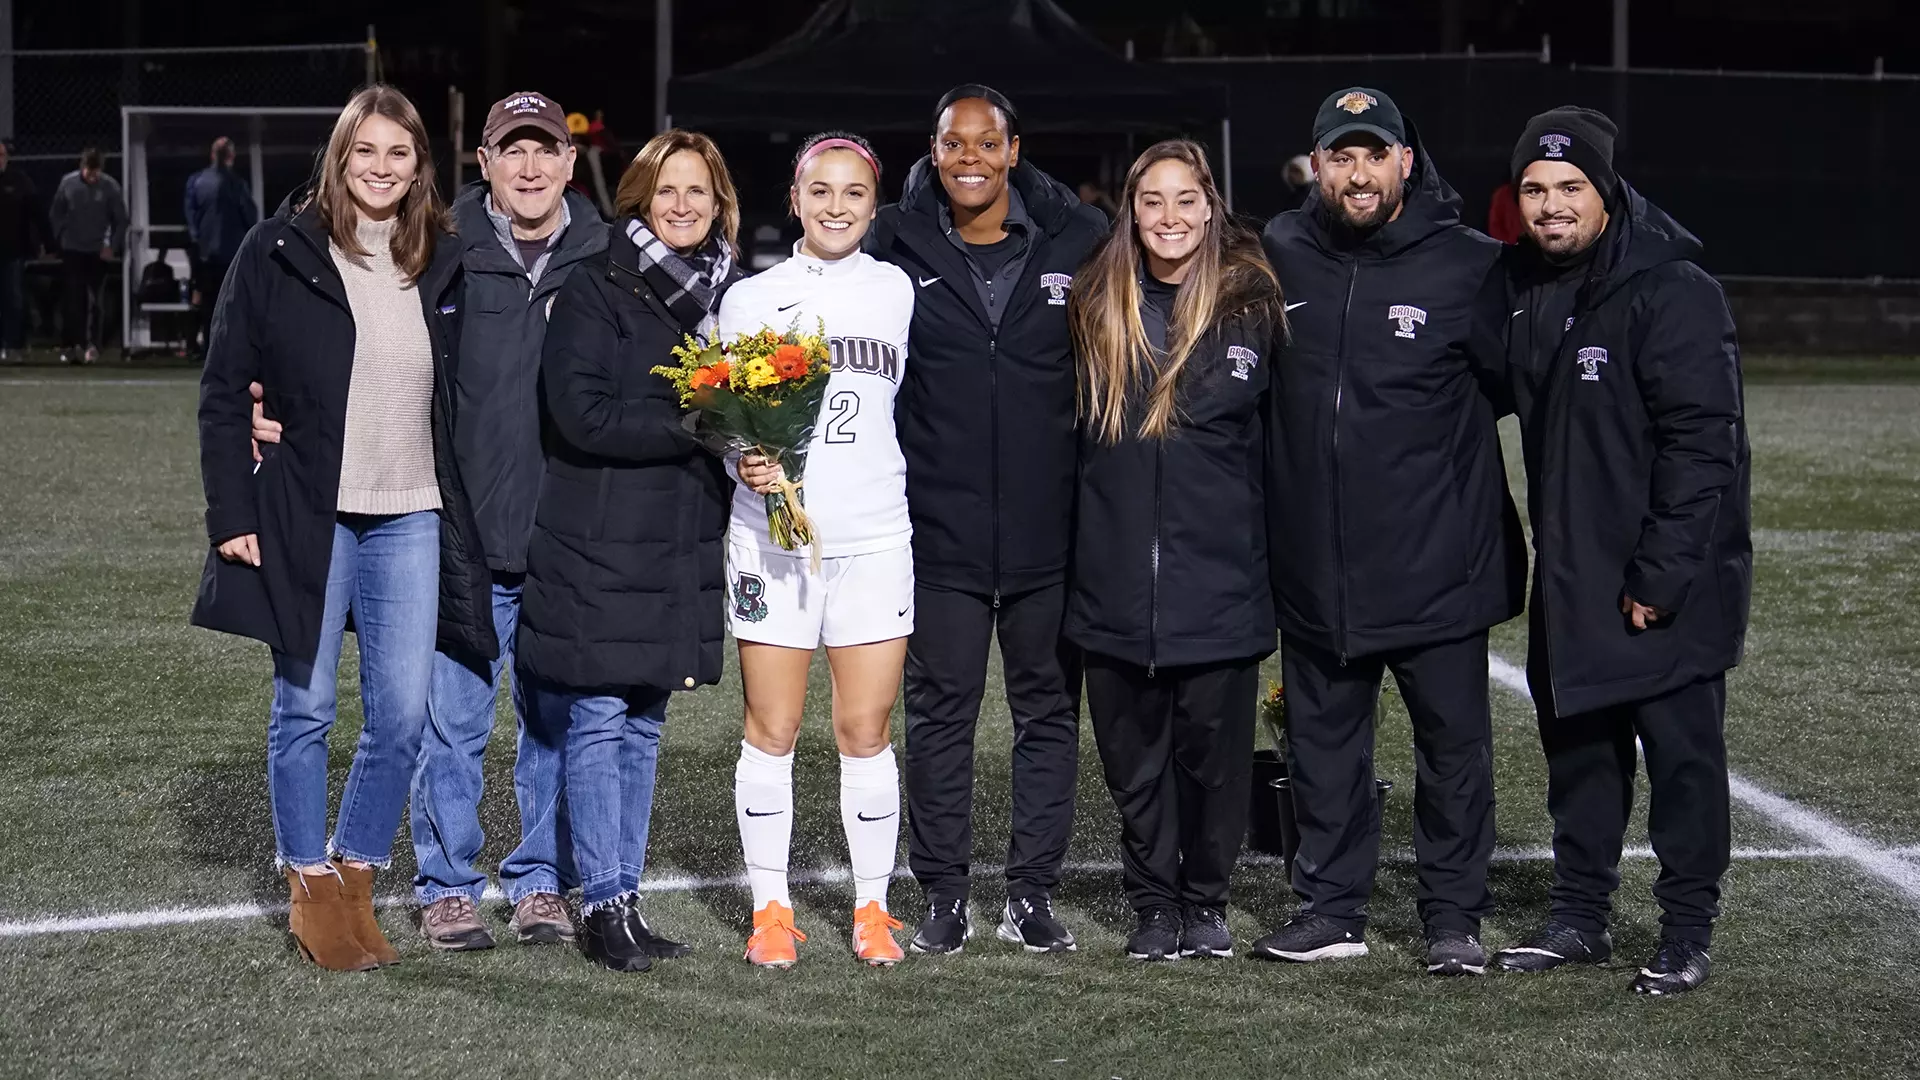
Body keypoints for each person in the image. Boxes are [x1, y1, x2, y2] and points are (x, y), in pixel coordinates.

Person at [192, 85, 484, 972]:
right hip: (306, 511)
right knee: (307, 706)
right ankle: (309, 888)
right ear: (340, 155)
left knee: (402, 717)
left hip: (411, 513)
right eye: (366, 150)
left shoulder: (440, 257)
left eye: (399, 153)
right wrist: (232, 513)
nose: (381, 168)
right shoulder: (277, 249)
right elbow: (223, 389)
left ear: (419, 166)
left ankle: (355, 879)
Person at [1252, 87, 1524, 975]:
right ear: (1317, 165)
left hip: (1437, 566)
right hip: (1316, 567)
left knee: (1454, 754)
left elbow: (1516, 389)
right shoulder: (1281, 250)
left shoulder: (1472, 264)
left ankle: (1453, 917)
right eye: (1342, 156)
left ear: (1407, 161)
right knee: (1324, 751)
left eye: (1375, 154)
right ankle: (1331, 909)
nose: (1358, 173)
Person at [1487, 107, 1749, 996]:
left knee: (1682, 763)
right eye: (1534, 189)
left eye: (1571, 187)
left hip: (1658, 584)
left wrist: (1661, 575)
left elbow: (1704, 444)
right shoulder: (1523, 285)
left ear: (1608, 192)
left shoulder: (1673, 289)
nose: (1552, 205)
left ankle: (1685, 931)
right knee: (1581, 758)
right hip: (1571, 577)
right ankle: (1579, 918)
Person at [868, 83, 1106, 956]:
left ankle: (1031, 893)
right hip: (938, 532)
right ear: (933, 152)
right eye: (953, 144)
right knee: (941, 716)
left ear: (1013, 150)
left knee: (1048, 715)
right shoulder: (894, 241)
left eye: (985, 143)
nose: (969, 158)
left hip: (1052, 532)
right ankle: (944, 892)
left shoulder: (1081, 238)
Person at [514, 129, 742, 972]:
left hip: (682, 538)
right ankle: (602, 904)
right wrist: (697, 423)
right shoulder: (595, 285)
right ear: (639, 199)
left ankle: (627, 901)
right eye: (665, 190)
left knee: (645, 722)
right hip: (601, 538)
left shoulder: (733, 297)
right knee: (601, 717)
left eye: (698, 192)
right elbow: (581, 415)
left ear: (719, 204)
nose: (682, 206)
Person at [1065, 139, 1283, 962]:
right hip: (1114, 582)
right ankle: (1154, 904)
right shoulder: (1094, 303)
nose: (1169, 217)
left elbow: (1281, 447)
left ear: (1211, 207)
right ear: (1130, 212)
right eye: (1152, 201)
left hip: (1219, 583)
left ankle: (1205, 902)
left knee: (1213, 763)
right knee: (1134, 764)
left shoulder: (1252, 304)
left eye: (1186, 199)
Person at [722, 130, 915, 969]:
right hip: (771, 541)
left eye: (855, 193)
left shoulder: (897, 290)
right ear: (795, 199)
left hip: (874, 536)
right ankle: (771, 909)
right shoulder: (749, 299)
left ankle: (873, 908)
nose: (838, 207)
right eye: (821, 191)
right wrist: (743, 459)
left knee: (865, 728)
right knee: (773, 726)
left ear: (875, 205)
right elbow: (726, 419)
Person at [48, 147, 126, 364]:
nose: (93, 177)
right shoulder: (68, 183)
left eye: (96, 172)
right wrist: (55, 242)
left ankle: (93, 345)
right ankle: (72, 345)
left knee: (95, 302)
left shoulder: (110, 186)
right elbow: (56, 214)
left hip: (97, 252)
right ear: (82, 167)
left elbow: (121, 220)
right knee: (73, 300)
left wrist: (112, 246)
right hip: (72, 250)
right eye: (89, 172)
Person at [183, 136, 259, 355]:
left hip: (205, 255)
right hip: (232, 254)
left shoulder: (196, 181)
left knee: (206, 303)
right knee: (232, 303)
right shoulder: (237, 184)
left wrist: (198, 244)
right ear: (231, 156)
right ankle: (229, 350)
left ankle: (207, 349)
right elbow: (250, 216)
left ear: (212, 155)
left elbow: (191, 218)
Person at [0, 141, 46, 359]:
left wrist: (47, 243)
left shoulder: (19, 181)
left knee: (14, 300)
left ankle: (13, 346)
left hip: (13, 252)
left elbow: (37, 213)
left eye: (1, 154)